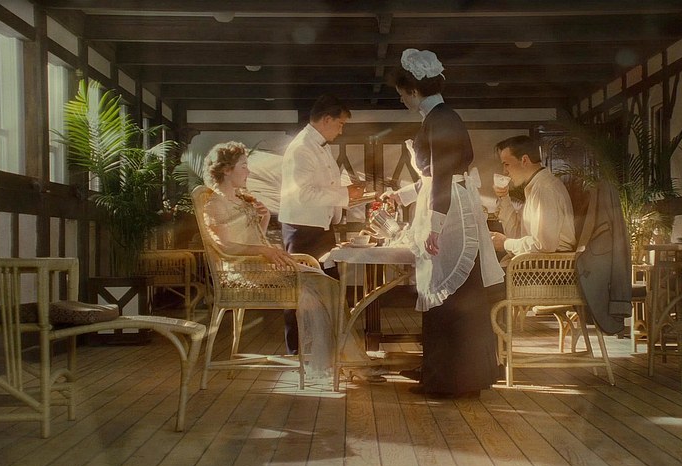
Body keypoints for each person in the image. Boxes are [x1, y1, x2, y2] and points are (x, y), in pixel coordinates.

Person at [201, 141, 380, 380]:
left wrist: (263, 219)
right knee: (323, 287)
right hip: (242, 274)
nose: (248, 172)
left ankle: (344, 359)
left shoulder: (241, 200)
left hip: (260, 266)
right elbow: (224, 247)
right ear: (226, 170)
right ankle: (345, 360)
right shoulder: (214, 204)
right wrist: (264, 251)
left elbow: (253, 237)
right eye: (243, 166)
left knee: (329, 285)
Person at [383, 49, 504, 398]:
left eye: (402, 94)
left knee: (452, 296)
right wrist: (403, 196)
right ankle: (442, 373)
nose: (402, 100)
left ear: (414, 90)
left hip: (450, 212)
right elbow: (434, 176)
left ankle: (451, 380)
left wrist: (434, 226)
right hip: (446, 203)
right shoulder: (438, 118)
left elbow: (442, 176)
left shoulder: (442, 119)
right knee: (446, 295)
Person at [278, 95, 364, 355]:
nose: (341, 130)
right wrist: (345, 194)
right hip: (302, 230)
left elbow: (324, 186)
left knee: (327, 288)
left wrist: (348, 193)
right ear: (326, 119)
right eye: (340, 124)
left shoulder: (320, 146)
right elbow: (303, 194)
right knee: (300, 291)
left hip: (321, 228)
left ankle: (325, 351)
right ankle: (298, 352)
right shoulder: (301, 148)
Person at [490, 135, 576, 258]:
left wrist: (505, 243)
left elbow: (544, 245)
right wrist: (504, 197)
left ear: (524, 160)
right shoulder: (535, 186)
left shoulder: (544, 189)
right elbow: (516, 234)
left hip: (551, 264)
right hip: (539, 260)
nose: (504, 171)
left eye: (507, 164)